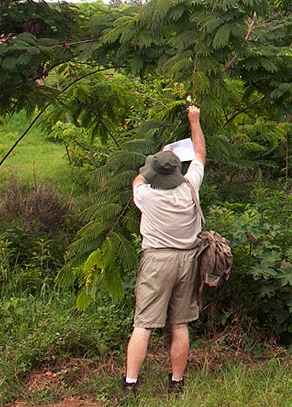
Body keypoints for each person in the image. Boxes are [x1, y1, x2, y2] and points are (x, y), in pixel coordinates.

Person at [122, 105, 206, 397]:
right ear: (178, 171)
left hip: (157, 260)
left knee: (143, 323)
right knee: (180, 324)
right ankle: (177, 382)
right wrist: (194, 120)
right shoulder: (191, 187)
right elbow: (200, 153)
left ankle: (131, 383)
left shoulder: (146, 195)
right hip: (188, 260)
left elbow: (138, 180)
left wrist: (156, 163)